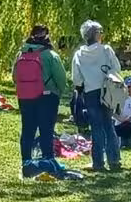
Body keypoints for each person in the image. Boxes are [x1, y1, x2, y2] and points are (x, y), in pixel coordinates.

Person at [14, 24, 68, 174]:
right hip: (47, 97)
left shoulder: (21, 54)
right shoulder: (50, 55)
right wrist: (57, 92)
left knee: (27, 129)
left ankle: (26, 162)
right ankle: (48, 161)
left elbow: (14, 76)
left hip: (25, 97)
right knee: (46, 130)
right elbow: (61, 78)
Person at [72, 20, 124, 172]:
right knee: (108, 124)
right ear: (96, 35)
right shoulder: (106, 50)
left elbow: (77, 78)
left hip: (90, 92)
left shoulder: (79, 54)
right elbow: (117, 68)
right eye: (100, 32)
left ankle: (98, 163)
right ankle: (114, 160)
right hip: (106, 90)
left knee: (96, 127)